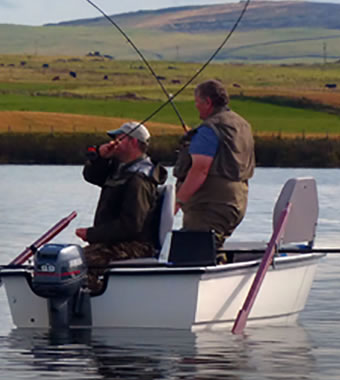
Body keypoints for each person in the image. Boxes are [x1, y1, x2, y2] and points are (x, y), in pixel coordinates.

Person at [75, 121, 167, 291]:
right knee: (70, 259)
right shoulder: (120, 169)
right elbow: (92, 176)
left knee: (79, 264)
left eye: (118, 139)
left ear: (132, 142)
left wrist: (91, 234)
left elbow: (132, 225)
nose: (113, 143)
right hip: (113, 241)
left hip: (136, 244)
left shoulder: (140, 178)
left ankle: (92, 302)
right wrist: (100, 157)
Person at [173, 79, 255, 247]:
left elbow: (200, 170)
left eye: (197, 102)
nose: (196, 106)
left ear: (208, 102)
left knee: (196, 249)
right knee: (213, 246)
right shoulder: (242, 125)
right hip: (237, 202)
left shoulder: (209, 130)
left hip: (210, 206)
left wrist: (176, 203)